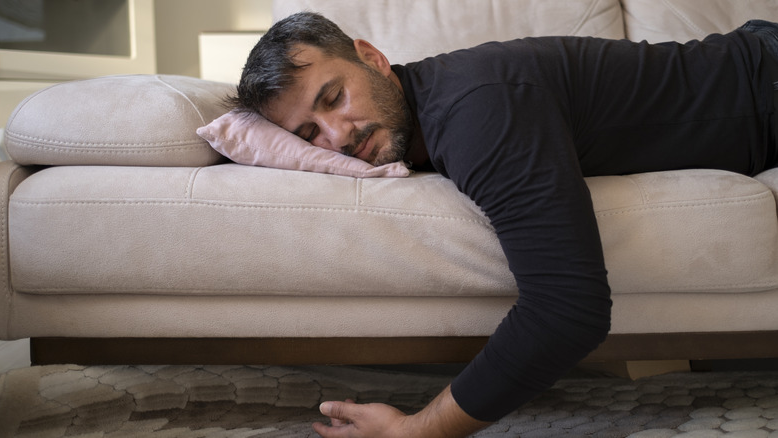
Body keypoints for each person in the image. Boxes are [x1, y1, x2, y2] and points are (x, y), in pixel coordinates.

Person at [228, 12, 778, 438]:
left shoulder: (477, 112)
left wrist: (419, 429)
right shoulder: (436, 104)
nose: (337, 135)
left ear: (372, 59)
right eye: (308, 135)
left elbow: (568, 310)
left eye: (334, 97)